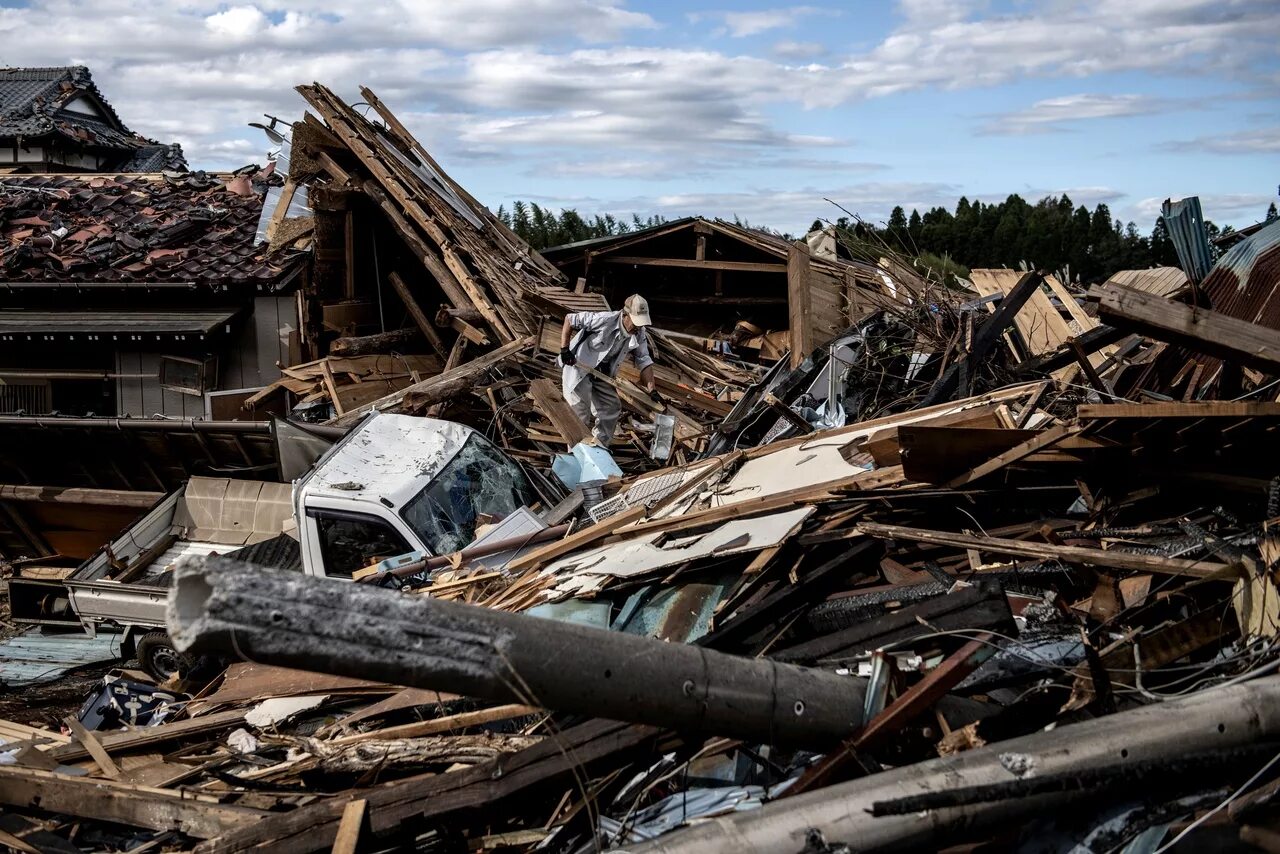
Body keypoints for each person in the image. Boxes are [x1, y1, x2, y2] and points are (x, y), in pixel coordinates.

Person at [559, 294, 660, 445]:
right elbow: (570, 319)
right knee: (580, 414)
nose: (638, 327)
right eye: (635, 322)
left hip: (602, 373)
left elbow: (643, 359)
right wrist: (565, 349)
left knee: (611, 408)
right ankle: (575, 453)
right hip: (579, 367)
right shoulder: (604, 319)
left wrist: (652, 390)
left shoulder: (639, 332)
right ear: (625, 315)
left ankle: (598, 446)